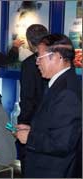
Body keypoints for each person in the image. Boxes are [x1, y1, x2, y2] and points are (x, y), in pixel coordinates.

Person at [15, 34, 82, 177]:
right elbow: (55, 125)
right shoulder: (59, 83)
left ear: (57, 57)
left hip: (53, 170)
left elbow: (63, 143)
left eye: (40, 57)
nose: (37, 63)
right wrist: (32, 129)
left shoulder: (67, 92)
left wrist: (30, 137)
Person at [16, 24, 49, 176]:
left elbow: (27, 97)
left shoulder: (29, 64)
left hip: (32, 121)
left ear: (29, 42)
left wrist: (23, 122)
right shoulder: (56, 60)